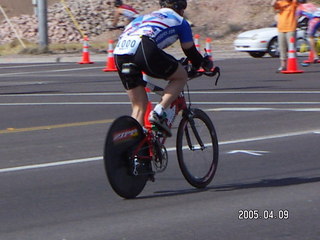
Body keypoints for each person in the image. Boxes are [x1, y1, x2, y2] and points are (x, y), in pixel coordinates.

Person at [113, 0, 213, 137]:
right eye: (183, 9)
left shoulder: (145, 16)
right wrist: (201, 64)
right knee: (181, 76)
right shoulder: (180, 21)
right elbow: (190, 50)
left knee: (139, 107)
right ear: (179, 8)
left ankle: (138, 149)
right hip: (143, 46)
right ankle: (158, 112)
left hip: (119, 52)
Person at [271, 0, 300, 72]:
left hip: (291, 27)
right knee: (282, 47)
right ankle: (283, 65)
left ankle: (293, 65)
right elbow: (273, 5)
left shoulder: (293, 3)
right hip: (281, 28)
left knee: (291, 48)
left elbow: (299, 4)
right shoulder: (281, 2)